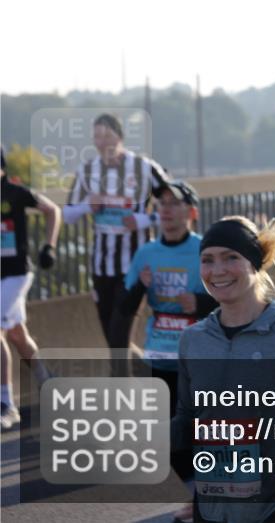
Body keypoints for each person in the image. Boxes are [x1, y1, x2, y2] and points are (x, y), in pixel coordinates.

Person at [173, 216, 275, 523]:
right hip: (212, 508)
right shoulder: (193, 340)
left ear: (255, 262)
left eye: (231, 258)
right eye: (207, 260)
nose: (218, 270)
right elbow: (187, 420)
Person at [115, 180, 217, 523]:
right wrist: (140, 288)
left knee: (204, 436)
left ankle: (204, 502)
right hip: (158, 355)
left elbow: (233, 302)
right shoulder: (146, 254)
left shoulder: (206, 250)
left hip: (200, 359)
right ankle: (197, 499)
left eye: (174, 204)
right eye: (161, 204)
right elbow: (123, 308)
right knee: (168, 442)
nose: (167, 210)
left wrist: (201, 302)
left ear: (191, 212)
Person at [63, 113, 169, 349]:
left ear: (120, 137)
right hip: (101, 266)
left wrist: (143, 219)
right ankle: (144, 373)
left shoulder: (144, 167)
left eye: (107, 135)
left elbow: (176, 205)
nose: (102, 142)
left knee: (119, 334)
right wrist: (87, 206)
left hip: (135, 264)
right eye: (97, 136)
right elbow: (67, 214)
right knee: (113, 338)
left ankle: (122, 384)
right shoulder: (88, 170)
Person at [1, 148, 60, 430]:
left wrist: (49, 246)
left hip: (15, 274)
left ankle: (6, 405)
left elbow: (52, 210)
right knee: (16, 334)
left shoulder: (15, 192)